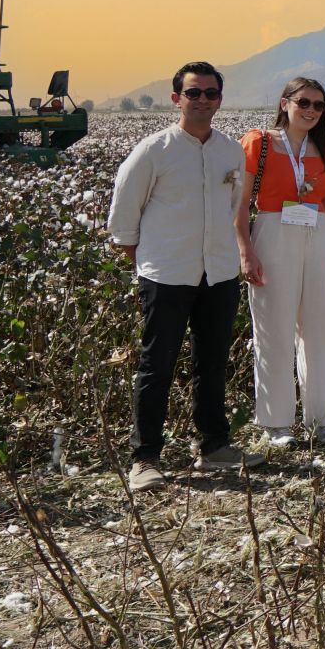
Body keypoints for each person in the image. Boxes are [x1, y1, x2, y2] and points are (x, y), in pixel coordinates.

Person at [108, 62, 264, 490]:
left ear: (220, 100)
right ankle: (145, 458)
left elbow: (235, 207)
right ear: (176, 98)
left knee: (212, 363)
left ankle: (214, 447)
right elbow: (124, 216)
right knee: (156, 364)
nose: (203, 101)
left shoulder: (231, 150)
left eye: (211, 94)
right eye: (194, 93)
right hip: (167, 274)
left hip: (218, 272)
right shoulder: (153, 150)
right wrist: (145, 259)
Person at [236, 77, 325, 445]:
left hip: (317, 234)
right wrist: (245, 251)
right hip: (272, 231)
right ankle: (276, 422)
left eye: (319, 105)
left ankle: (322, 419)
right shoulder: (259, 143)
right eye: (304, 102)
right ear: (285, 103)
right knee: (273, 329)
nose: (311, 111)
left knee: (319, 328)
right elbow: (238, 206)